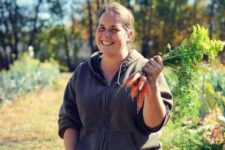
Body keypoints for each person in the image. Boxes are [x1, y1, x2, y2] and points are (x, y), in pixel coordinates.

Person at [58, 2, 173, 150]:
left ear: (129, 35)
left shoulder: (146, 71)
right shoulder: (82, 72)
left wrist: (152, 84)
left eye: (114, 29)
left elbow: (155, 123)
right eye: (101, 28)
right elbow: (69, 119)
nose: (106, 35)